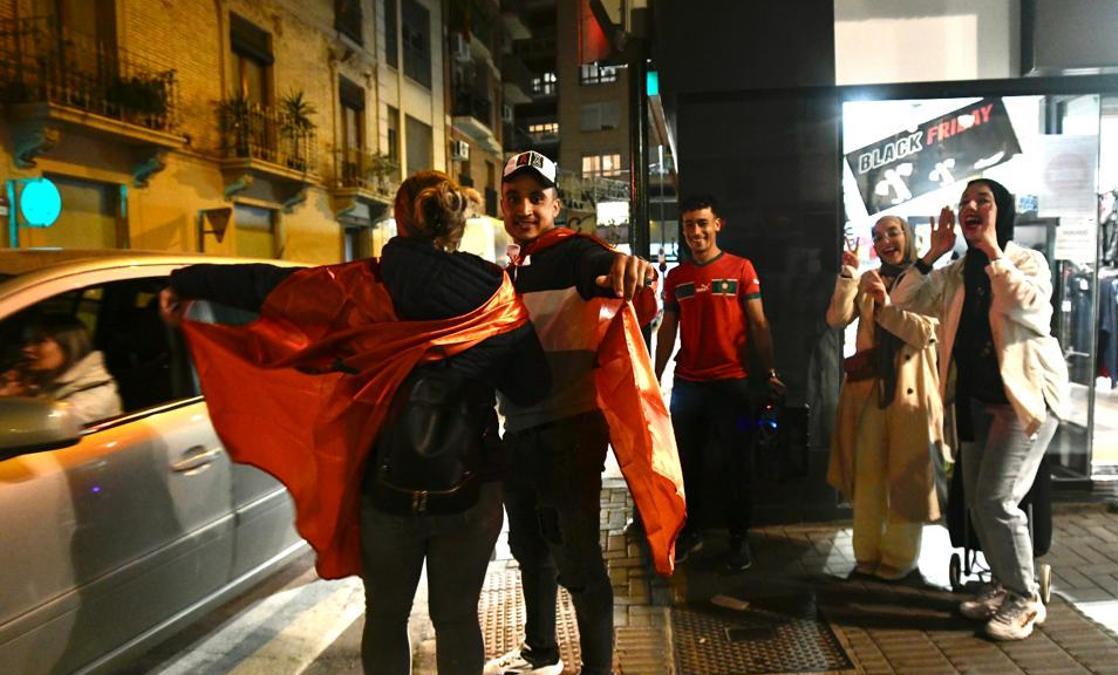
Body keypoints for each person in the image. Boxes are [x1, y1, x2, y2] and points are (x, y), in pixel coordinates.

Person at [159, 170, 550, 675]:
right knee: (456, 620)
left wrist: (188, 281)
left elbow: (270, 286)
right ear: (456, 226)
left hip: (384, 489)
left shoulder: (356, 289)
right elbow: (532, 386)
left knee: (385, 619)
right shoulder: (494, 293)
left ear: (398, 220)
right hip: (471, 489)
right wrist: (472, 363)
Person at [485, 150, 683, 675]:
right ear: (502, 205)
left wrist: (628, 269)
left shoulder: (575, 254)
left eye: (536, 197)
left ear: (556, 204)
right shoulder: (512, 270)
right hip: (521, 431)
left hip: (569, 432)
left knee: (577, 562)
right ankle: (541, 654)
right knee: (528, 548)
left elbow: (606, 270)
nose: (524, 207)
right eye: (513, 198)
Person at [891, 178, 1068, 641]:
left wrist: (993, 252)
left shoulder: (1026, 262)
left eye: (982, 201)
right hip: (973, 401)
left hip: (1023, 400)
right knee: (977, 500)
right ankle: (1002, 584)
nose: (971, 207)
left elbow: (1030, 309)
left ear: (1000, 211)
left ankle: (1027, 599)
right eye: (965, 202)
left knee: (997, 499)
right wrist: (932, 253)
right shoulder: (952, 273)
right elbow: (902, 300)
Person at [653, 195, 784, 572]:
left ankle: (739, 541)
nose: (695, 232)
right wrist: (655, 375)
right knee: (686, 466)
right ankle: (691, 533)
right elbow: (667, 330)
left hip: (734, 388)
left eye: (702, 223)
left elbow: (759, 324)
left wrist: (769, 371)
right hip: (688, 388)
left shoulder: (742, 269)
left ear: (717, 224)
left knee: (738, 465)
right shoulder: (676, 278)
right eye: (689, 225)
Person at [825, 216, 944, 582]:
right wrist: (849, 276)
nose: (886, 240)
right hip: (868, 391)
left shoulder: (932, 280)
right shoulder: (867, 278)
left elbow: (926, 333)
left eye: (893, 232)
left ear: (907, 236)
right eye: (878, 236)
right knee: (868, 475)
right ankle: (866, 556)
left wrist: (885, 303)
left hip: (909, 391)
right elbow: (836, 318)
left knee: (905, 478)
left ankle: (899, 560)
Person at [0, 315, 122, 425]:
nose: (27, 349)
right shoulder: (54, 379)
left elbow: (35, 430)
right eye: (28, 341)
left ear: (69, 346)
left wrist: (8, 401)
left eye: (39, 341)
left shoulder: (92, 396)